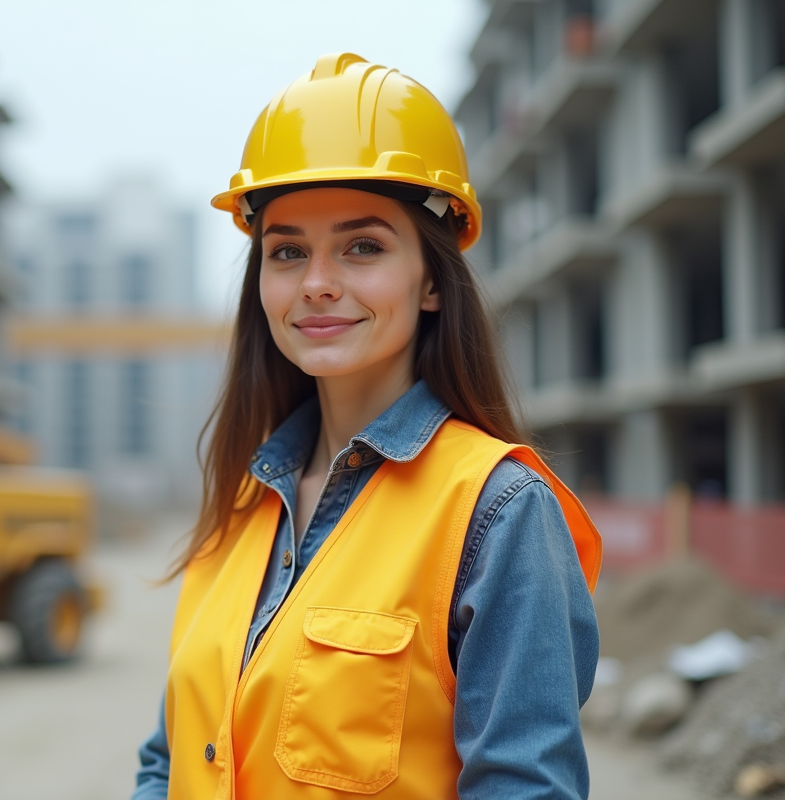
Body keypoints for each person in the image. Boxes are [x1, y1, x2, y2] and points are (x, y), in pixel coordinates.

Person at [132, 53, 602, 800]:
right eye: (288, 251)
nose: (317, 282)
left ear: (432, 282)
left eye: (363, 247)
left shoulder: (497, 512)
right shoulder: (242, 505)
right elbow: (169, 762)